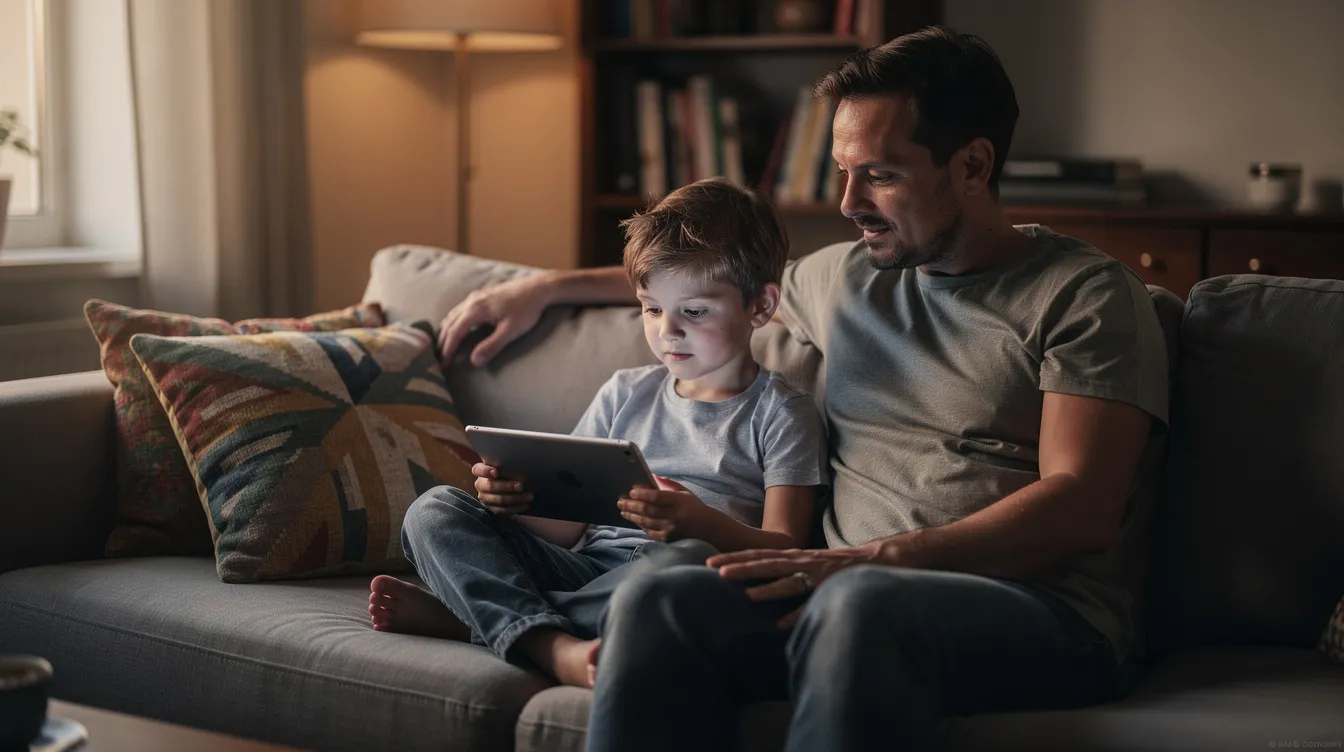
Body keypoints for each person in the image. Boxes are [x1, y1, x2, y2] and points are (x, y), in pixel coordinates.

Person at [435, 25, 1171, 752]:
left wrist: (858, 563)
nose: (848, 202)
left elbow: (1082, 507)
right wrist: (542, 288)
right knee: (662, 594)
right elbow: (709, 280)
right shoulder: (852, 275)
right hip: (824, 593)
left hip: (1036, 614)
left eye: (879, 174)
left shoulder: (1084, 295)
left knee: (857, 605)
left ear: (973, 165)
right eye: (843, 171)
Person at [368, 177, 828, 690]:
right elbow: (566, 528)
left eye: (694, 312)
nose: (667, 331)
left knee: (686, 567)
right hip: (583, 567)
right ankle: (546, 641)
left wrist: (700, 524)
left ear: (761, 308)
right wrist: (515, 500)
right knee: (434, 510)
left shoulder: (782, 413)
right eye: (652, 308)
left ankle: (482, 619)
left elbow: (787, 550)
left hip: (673, 571)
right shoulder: (624, 391)